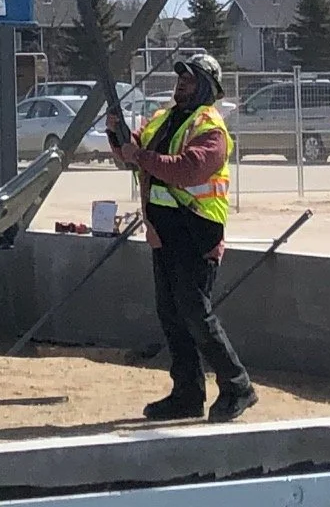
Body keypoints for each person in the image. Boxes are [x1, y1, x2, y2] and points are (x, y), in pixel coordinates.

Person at [109, 52, 257, 424]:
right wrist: (118, 135)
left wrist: (139, 155)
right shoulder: (163, 119)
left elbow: (189, 170)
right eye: (180, 78)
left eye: (189, 79)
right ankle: (187, 393)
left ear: (206, 86)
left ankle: (238, 385)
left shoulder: (210, 127)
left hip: (197, 231)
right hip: (166, 233)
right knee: (173, 315)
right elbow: (131, 157)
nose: (180, 84)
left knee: (195, 312)